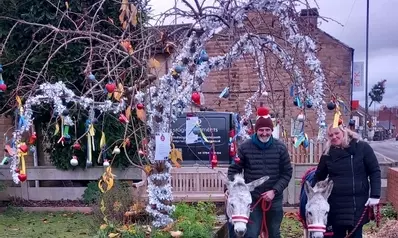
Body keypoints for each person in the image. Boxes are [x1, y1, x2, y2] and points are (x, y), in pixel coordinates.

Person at [226, 107, 293, 238]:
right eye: (261, 130)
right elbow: (234, 169)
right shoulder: (245, 147)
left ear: (271, 130)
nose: (264, 133)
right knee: (250, 234)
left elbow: (287, 173)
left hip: (274, 199)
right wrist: (233, 188)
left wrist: (274, 191)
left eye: (267, 130)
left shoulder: (280, 148)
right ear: (256, 130)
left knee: (274, 233)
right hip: (253, 199)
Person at [313, 124, 381, 238]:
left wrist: (375, 195)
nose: (334, 137)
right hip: (336, 204)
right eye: (330, 135)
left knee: (355, 234)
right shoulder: (328, 153)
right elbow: (319, 175)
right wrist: (312, 194)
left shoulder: (362, 148)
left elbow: (374, 171)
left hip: (357, 203)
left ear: (344, 132)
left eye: (336, 133)